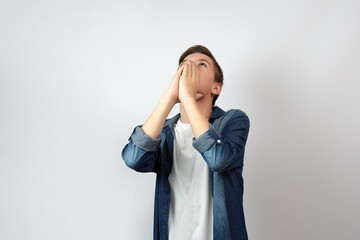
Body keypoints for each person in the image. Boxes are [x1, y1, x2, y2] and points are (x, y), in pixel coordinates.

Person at [122, 45, 250, 240]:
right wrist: (169, 98)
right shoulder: (163, 132)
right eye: (184, 65)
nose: (190, 69)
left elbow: (218, 160)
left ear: (217, 87)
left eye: (202, 64)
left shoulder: (233, 121)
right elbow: (134, 159)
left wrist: (188, 99)